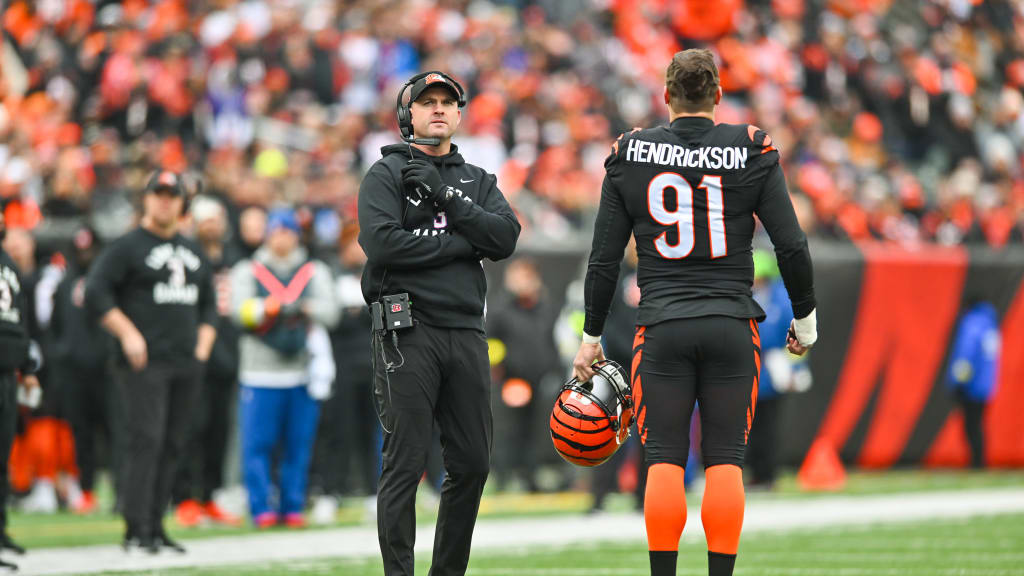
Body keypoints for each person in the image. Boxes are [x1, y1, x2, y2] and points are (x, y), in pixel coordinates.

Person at [572, 49, 817, 576]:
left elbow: (604, 259)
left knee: (662, 456)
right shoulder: (750, 148)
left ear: (666, 96)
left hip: (661, 324)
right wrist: (806, 320)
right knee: (725, 458)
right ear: (718, 96)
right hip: (731, 323)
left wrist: (591, 336)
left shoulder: (631, 151)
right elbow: (792, 246)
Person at [358, 70, 520, 576]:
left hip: (466, 331)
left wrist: (447, 199)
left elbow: (505, 237)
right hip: (408, 332)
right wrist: (459, 245)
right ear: (408, 114)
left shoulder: (475, 179)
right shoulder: (385, 175)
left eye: (446, 102)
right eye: (426, 102)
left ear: (458, 112)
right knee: (406, 462)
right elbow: (382, 245)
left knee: (473, 463)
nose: (437, 109)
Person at [85, 169, 217, 554]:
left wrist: (203, 346)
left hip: (184, 362)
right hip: (144, 364)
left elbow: (209, 302)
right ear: (146, 199)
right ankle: (136, 528)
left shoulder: (192, 251)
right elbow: (95, 292)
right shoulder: (126, 247)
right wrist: (126, 332)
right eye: (158, 193)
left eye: (172, 195)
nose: (164, 200)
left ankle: (157, 526)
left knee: (174, 443)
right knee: (147, 441)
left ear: (181, 203)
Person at [231, 207, 338, 528]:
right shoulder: (248, 270)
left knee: (298, 444)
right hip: (260, 371)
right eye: (276, 231)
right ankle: (260, 506)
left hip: (301, 371)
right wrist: (270, 307)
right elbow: (238, 313)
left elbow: (331, 313)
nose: (282, 238)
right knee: (257, 444)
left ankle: (293, 504)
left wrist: (304, 307)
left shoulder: (313, 271)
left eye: (288, 231)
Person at [172, 195, 243, 527]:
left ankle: (210, 495)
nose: (211, 225)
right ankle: (184, 496)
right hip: (193, 352)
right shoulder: (185, 258)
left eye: (216, 219)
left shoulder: (234, 257)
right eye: (205, 220)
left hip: (227, 354)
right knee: (190, 426)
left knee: (219, 428)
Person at [51, 225, 116, 514]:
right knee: (82, 433)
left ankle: (122, 490)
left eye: (90, 248)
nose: (85, 254)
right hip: (75, 371)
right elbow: (55, 326)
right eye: (81, 250)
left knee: (116, 430)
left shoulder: (110, 283)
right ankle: (87, 490)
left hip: (107, 370)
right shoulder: (64, 284)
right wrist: (64, 353)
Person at [486, 257, 559, 493]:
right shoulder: (499, 309)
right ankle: (505, 476)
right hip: (512, 380)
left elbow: (554, 342)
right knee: (510, 429)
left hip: (541, 379)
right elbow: (490, 343)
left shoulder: (546, 307)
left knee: (537, 430)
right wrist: (501, 368)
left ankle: (532, 475)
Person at [0, 211, 41, 570]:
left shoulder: (8, 263)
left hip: (7, 371)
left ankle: (0, 531)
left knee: (2, 458)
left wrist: (27, 368)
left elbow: (18, 319)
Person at [946, 298, 1000, 469]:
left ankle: (977, 463)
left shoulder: (971, 325)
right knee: (977, 424)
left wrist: (959, 382)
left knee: (971, 426)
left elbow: (965, 356)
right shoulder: (990, 326)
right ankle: (979, 461)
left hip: (972, 385)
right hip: (986, 385)